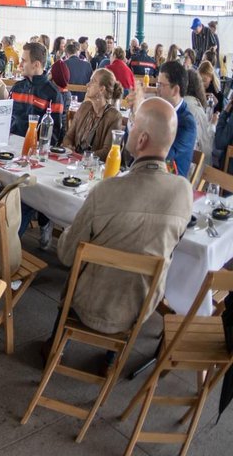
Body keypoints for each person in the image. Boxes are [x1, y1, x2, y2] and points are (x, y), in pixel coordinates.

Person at [56, 97, 192, 334]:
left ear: (142, 140)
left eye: (133, 124)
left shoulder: (107, 190)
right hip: (139, 310)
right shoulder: (184, 192)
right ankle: (112, 359)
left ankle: (53, 343)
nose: (127, 128)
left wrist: (67, 231)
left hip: (88, 304)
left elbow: (67, 255)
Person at [127, 60, 196, 175]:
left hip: (169, 185)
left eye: (161, 85)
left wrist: (139, 113)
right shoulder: (156, 109)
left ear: (175, 90)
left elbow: (162, 157)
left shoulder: (186, 123)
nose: (156, 89)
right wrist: (135, 113)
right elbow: (128, 148)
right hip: (141, 174)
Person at [9, 40, 65, 145]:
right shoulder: (17, 88)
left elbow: (53, 135)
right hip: (10, 146)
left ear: (36, 64)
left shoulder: (53, 94)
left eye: (24, 61)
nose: (20, 65)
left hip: (35, 150)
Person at [62, 68, 123, 155]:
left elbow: (107, 152)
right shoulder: (84, 107)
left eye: (92, 81)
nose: (87, 84)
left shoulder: (114, 117)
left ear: (102, 89)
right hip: (75, 162)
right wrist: (68, 147)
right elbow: (68, 136)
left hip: (95, 166)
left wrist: (82, 157)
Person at [182, 68, 214, 157]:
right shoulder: (196, 108)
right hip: (197, 162)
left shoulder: (181, 103)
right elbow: (206, 144)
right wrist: (213, 125)